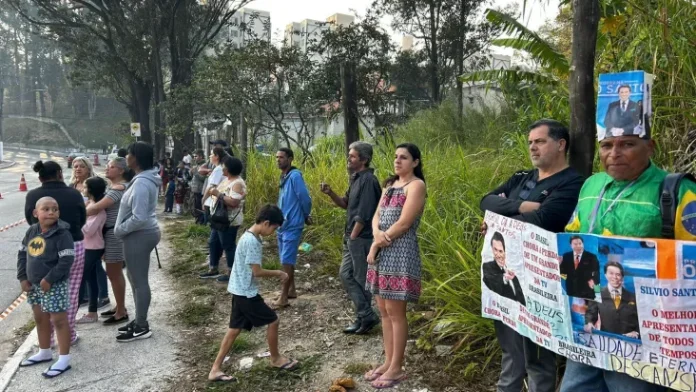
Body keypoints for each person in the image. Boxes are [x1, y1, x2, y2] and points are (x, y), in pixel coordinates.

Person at [560, 121, 696, 392]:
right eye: (607, 145)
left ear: (650, 147)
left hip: (642, 331)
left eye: (627, 144)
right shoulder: (591, 185)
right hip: (587, 321)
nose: (614, 153)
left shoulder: (677, 190)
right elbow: (571, 233)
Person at [479, 119, 584, 392]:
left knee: (538, 359)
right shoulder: (521, 178)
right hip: (508, 279)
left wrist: (500, 219)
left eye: (540, 141)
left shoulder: (573, 183)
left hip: (541, 285)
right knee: (511, 352)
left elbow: (544, 219)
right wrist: (521, 205)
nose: (533, 148)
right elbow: (487, 201)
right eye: (530, 143)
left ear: (561, 144)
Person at [207, 204, 298, 383]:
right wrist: (278, 273)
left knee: (233, 330)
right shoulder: (252, 241)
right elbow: (256, 271)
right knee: (273, 320)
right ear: (266, 223)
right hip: (246, 293)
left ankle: (215, 369)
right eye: (274, 228)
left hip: (238, 289)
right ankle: (275, 359)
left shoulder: (249, 236)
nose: (273, 232)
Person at [364, 143, 426, 389]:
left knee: (396, 312)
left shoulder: (416, 186)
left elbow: (404, 223)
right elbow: (376, 216)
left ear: (415, 162)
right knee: (383, 310)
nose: (398, 161)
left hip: (400, 252)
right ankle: (388, 362)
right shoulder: (389, 185)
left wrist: (379, 241)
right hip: (381, 250)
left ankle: (397, 367)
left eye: (404, 157)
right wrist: (375, 239)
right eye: (395, 157)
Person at [320, 141, 381, 335]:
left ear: (363, 159)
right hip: (352, 237)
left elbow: (364, 214)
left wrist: (353, 237)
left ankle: (364, 317)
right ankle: (365, 315)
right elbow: (346, 204)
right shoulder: (355, 178)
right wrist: (330, 193)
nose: (349, 158)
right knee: (346, 275)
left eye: (353, 156)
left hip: (361, 238)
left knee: (360, 278)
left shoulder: (369, 181)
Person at [25, 161, 86, 346]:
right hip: (74, 245)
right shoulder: (74, 194)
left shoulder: (33, 195)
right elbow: (82, 219)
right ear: (60, 174)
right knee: (70, 293)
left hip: (43, 248)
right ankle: (69, 335)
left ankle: (47, 339)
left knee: (43, 292)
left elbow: (31, 222)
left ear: (40, 177)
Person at [17, 197, 75, 378]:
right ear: (36, 213)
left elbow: (66, 260)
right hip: (34, 284)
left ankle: (64, 359)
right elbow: (22, 254)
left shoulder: (62, 234)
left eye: (55, 209)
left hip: (54, 285)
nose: (51, 212)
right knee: (40, 318)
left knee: (58, 320)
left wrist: (49, 279)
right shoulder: (32, 231)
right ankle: (44, 351)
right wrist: (22, 277)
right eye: (46, 209)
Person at [114, 142, 161, 342]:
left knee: (139, 281)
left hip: (139, 234)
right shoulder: (142, 179)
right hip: (138, 234)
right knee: (134, 279)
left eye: (129, 154)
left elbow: (139, 216)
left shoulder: (142, 183)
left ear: (136, 158)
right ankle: (139, 319)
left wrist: (120, 229)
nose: (126, 158)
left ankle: (142, 326)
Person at [86, 158, 132, 325]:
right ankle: (119, 306)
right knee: (114, 273)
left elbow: (95, 208)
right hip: (111, 232)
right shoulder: (116, 187)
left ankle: (121, 311)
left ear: (121, 171)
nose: (107, 169)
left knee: (114, 272)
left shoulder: (118, 189)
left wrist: (78, 214)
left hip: (114, 234)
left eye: (112, 167)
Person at [272, 148, 312, 309]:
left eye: (281, 157)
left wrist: (305, 214)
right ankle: (291, 290)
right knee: (286, 258)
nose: (278, 160)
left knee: (286, 260)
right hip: (283, 224)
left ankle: (283, 297)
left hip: (292, 225)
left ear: (290, 159)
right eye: (277, 157)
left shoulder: (295, 176)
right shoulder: (284, 176)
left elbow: (305, 198)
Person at [70, 156, 110, 310]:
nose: (78, 169)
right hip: (80, 235)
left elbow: (97, 212)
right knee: (86, 266)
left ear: (88, 168)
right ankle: (87, 297)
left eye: (81, 166)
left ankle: (102, 295)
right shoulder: (72, 186)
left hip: (91, 232)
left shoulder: (94, 185)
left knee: (94, 266)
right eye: (75, 166)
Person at [206, 157, 246, 283]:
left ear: (229, 169)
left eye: (224, 166)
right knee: (213, 242)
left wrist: (218, 194)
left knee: (228, 245)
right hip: (219, 218)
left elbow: (234, 202)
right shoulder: (227, 180)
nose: (222, 168)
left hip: (229, 220)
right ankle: (213, 268)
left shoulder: (237, 183)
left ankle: (231, 272)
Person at [76, 177, 107, 324]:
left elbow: (88, 231)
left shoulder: (99, 211)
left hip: (93, 248)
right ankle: (92, 313)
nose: (83, 188)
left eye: (86, 187)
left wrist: (78, 220)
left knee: (81, 279)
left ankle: (72, 313)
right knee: (91, 279)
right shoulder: (91, 204)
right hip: (87, 247)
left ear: (92, 190)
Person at [584, 262, 639, 338]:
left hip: (630, 343)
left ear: (622, 277)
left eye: (618, 274)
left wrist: (636, 332)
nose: (615, 277)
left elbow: (640, 320)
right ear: (605, 275)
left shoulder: (633, 297)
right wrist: (589, 323)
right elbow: (591, 313)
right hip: (606, 341)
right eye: (611, 273)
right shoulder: (598, 293)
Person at [199, 147, 231, 279]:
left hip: (215, 206)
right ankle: (213, 267)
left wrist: (203, 199)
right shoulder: (218, 168)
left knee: (222, 240)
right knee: (214, 240)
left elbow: (211, 187)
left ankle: (227, 270)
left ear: (217, 156)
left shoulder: (218, 169)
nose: (210, 156)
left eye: (211, 154)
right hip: (214, 206)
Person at [482, 232, 525, 304]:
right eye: (495, 249)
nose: (498, 255)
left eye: (501, 251)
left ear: (506, 252)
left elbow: (521, 300)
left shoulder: (515, 276)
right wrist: (505, 278)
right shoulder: (487, 267)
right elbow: (490, 281)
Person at [559, 236, 599, 300]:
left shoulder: (591, 257)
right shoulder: (566, 256)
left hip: (587, 293)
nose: (578, 246)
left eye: (580, 243)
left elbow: (597, 272)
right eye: (575, 244)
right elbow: (563, 275)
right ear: (571, 245)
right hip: (571, 292)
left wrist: (594, 281)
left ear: (583, 244)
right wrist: (559, 265)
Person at [190, 150, 208, 225]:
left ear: (201, 156)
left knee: (199, 208)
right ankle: (197, 222)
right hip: (194, 190)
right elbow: (193, 178)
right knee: (194, 207)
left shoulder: (204, 165)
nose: (194, 158)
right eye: (193, 156)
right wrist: (191, 172)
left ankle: (201, 223)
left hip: (200, 190)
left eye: (196, 156)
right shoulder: (196, 165)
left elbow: (204, 179)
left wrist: (195, 173)